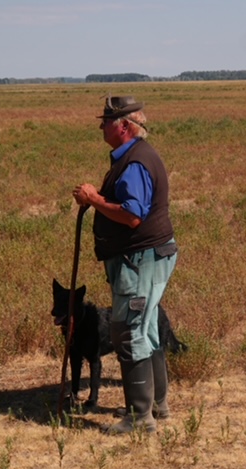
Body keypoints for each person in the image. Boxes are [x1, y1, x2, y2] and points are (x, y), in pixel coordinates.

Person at [72, 95, 177, 434]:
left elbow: (132, 215)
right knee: (146, 329)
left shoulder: (134, 163)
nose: (101, 125)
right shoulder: (138, 157)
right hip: (149, 256)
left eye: (106, 120)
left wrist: (93, 199)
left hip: (139, 260)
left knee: (129, 332)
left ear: (124, 126)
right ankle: (157, 407)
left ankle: (139, 418)